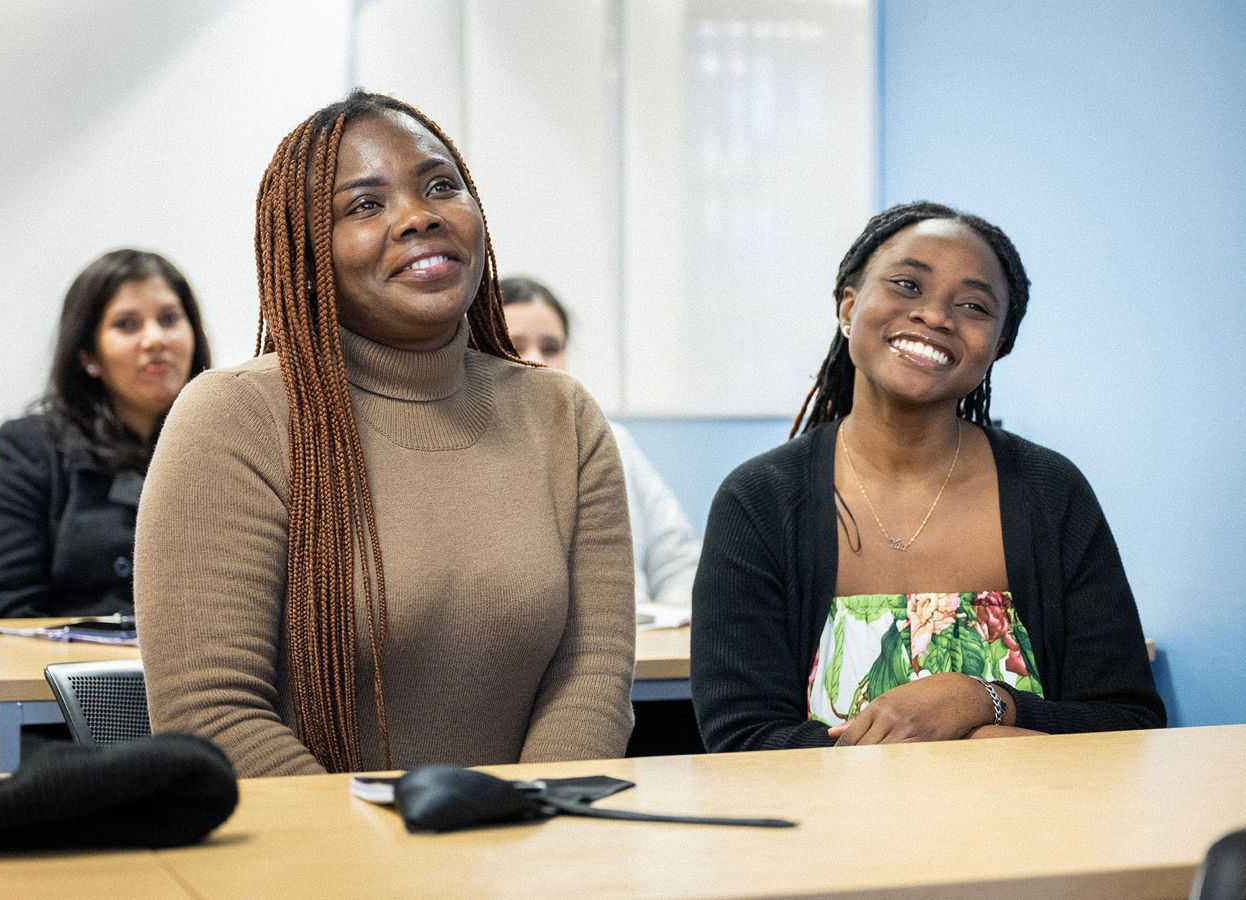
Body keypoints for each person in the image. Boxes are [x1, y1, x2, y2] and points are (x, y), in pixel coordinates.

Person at [135, 92, 636, 778]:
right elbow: (212, 713)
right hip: (314, 842)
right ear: (307, 255)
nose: (419, 216)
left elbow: (593, 676)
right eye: (366, 205)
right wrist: (386, 840)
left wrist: (532, 823)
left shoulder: (562, 415)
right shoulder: (235, 418)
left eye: (441, 186)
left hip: (533, 835)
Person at [691, 201, 1165, 752]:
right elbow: (743, 740)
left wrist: (984, 700)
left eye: (973, 305)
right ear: (849, 307)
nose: (936, 316)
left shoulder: (1051, 491)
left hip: (1037, 812)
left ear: (998, 345)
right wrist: (968, 749)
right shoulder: (760, 499)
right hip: (829, 815)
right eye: (908, 285)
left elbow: (1128, 721)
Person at [0, 250, 211, 619]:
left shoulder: (223, 444)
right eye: (127, 324)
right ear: (88, 356)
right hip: (65, 656)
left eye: (169, 318)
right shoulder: (33, 448)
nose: (155, 339)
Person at [500, 276, 700, 613]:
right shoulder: (462, 458)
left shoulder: (612, 441)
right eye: (514, 345)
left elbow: (680, 563)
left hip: (635, 639)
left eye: (551, 348)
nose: (536, 360)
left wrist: (669, 627)